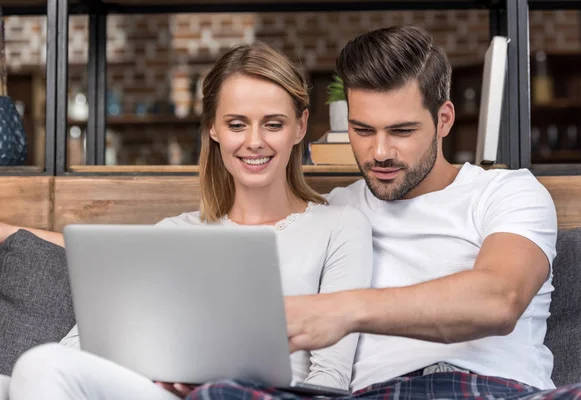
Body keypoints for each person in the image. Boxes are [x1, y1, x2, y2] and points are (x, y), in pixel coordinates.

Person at [185, 26, 581, 400]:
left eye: (401, 131)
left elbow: (500, 299)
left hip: (501, 391)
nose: (380, 152)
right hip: (378, 395)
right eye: (363, 131)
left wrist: (345, 310)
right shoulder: (333, 213)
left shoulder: (506, 192)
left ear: (444, 120)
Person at [3, 42, 373, 400]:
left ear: (300, 126)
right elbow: (76, 352)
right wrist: (158, 373)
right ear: (213, 128)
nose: (255, 141)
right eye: (237, 124)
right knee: (35, 367)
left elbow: (331, 379)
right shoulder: (174, 234)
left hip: (262, 398)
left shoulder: (339, 227)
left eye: (273, 124)